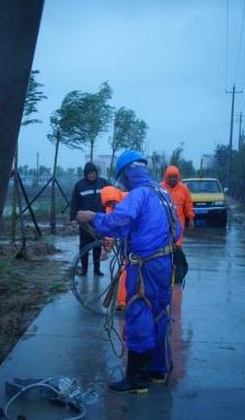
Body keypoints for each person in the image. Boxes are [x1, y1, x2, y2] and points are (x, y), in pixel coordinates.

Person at [77, 150, 180, 393]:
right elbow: (176, 229)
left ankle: (137, 379)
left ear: (129, 173)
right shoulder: (162, 193)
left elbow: (118, 220)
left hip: (144, 265)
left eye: (123, 178)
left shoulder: (140, 194)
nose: (122, 183)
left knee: (139, 312)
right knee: (158, 313)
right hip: (164, 264)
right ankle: (157, 371)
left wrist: (93, 216)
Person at [70, 162, 109, 276]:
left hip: (99, 220)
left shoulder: (104, 183)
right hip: (85, 223)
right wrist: (73, 218)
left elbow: (111, 197)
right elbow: (74, 202)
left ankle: (97, 270)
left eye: (93, 173)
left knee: (97, 246)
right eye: (89, 174)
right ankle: (84, 269)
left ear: (96, 173)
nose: (91, 175)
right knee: (84, 246)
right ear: (85, 174)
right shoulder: (80, 185)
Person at [161, 165, 194, 284]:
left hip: (178, 226)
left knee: (176, 248)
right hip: (163, 226)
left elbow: (188, 204)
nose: (173, 180)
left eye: (175, 177)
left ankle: (176, 274)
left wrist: (190, 218)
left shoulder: (183, 189)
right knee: (163, 249)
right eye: (171, 177)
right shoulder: (161, 188)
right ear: (166, 177)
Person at [100, 185, 127, 310]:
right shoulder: (110, 209)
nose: (112, 205)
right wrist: (106, 249)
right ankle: (123, 303)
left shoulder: (130, 200)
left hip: (140, 241)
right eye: (109, 203)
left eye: (114, 202)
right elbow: (110, 230)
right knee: (124, 272)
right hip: (126, 244)